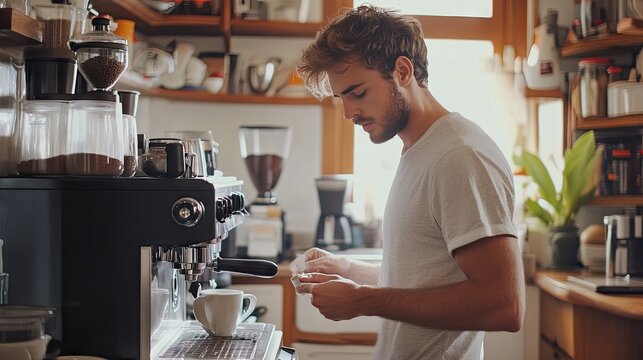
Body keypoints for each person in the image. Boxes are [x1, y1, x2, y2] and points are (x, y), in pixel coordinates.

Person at [291, 5, 525, 360]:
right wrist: (351, 270)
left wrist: (363, 300)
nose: (348, 113)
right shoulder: (419, 150)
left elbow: (504, 305)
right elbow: (427, 277)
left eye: (358, 92)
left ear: (402, 71)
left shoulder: (459, 155)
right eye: (342, 98)